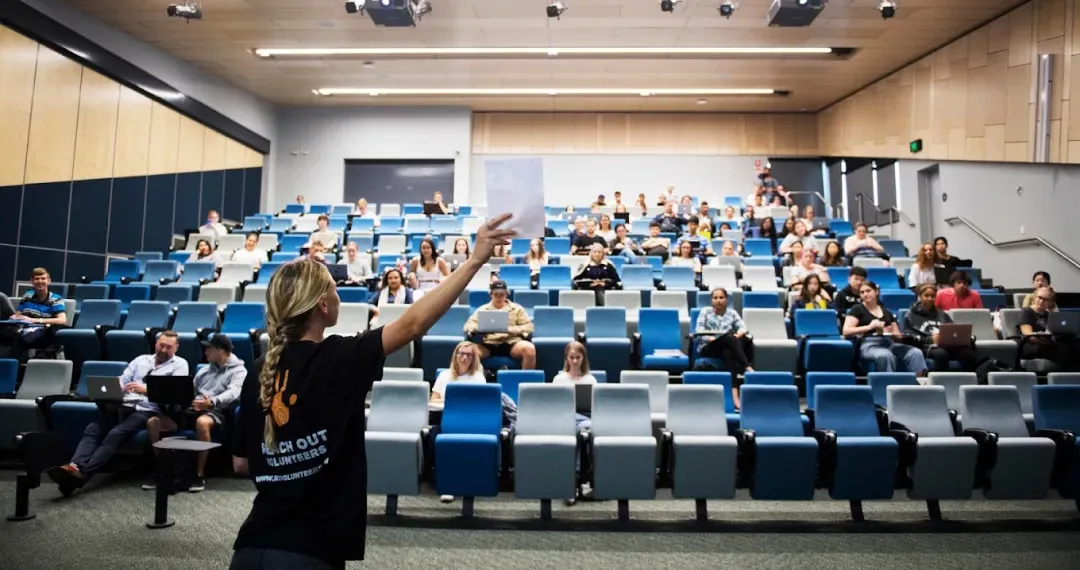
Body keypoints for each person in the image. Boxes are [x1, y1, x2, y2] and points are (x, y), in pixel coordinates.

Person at [229, 214, 517, 569]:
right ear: (322, 305)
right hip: (311, 552)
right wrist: (475, 260)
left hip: (250, 547)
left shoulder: (259, 368)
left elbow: (241, 462)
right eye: (334, 289)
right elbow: (413, 323)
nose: (338, 295)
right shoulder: (341, 356)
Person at [47, 331, 189, 495]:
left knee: (115, 433)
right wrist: (114, 389)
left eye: (168, 347)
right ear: (156, 343)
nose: (163, 350)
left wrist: (146, 390)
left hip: (148, 409)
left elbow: (175, 392)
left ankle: (82, 474)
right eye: (161, 345)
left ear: (176, 348)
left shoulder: (179, 364)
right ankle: (75, 466)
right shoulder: (141, 360)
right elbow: (122, 380)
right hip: (123, 405)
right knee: (93, 429)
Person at [144, 334, 245, 492]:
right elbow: (190, 390)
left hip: (217, 411)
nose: (205, 353)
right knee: (153, 423)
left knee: (202, 423)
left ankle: (199, 474)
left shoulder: (238, 370)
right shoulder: (204, 370)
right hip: (192, 409)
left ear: (219, 351)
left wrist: (211, 402)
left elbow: (234, 393)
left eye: (209, 349)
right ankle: (163, 470)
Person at [843, 282, 927, 375]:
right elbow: (846, 331)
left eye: (868, 291)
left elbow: (897, 336)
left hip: (889, 343)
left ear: (876, 292)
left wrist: (891, 332)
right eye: (862, 292)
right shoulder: (857, 309)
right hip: (869, 344)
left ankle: (918, 384)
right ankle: (889, 386)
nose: (865, 294)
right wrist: (870, 327)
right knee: (886, 355)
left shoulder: (886, 311)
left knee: (915, 353)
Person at [694, 288, 753, 407]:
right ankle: (747, 366)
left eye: (721, 298)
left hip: (726, 347)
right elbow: (699, 331)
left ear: (726, 299)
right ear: (711, 300)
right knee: (729, 338)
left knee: (728, 351)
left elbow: (743, 328)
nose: (718, 301)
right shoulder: (705, 312)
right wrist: (710, 338)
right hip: (709, 346)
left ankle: (734, 395)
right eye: (715, 298)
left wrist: (739, 334)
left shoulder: (732, 313)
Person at [903, 283, 979, 372]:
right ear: (919, 296)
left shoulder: (942, 313)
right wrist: (930, 339)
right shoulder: (910, 315)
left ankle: (970, 380)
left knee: (967, 353)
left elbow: (952, 330)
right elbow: (908, 338)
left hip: (947, 344)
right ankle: (942, 382)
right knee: (942, 354)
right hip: (927, 346)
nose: (930, 299)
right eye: (926, 296)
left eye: (932, 296)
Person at [463, 280, 536, 370]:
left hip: (511, 342)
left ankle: (526, 380)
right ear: (491, 294)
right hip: (488, 343)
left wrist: (511, 329)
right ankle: (473, 379)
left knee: (529, 349)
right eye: (496, 294)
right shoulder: (482, 309)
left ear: (506, 294)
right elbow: (467, 326)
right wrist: (481, 328)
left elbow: (529, 327)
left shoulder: (517, 309)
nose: (499, 297)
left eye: (502, 294)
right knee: (469, 351)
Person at [2, 268, 67, 361]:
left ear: (49, 281)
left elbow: (62, 320)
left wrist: (34, 320)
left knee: (17, 339)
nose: (40, 281)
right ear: (31, 282)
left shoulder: (56, 299)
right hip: (23, 329)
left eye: (43, 278)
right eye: (37, 279)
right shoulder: (27, 295)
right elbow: (18, 315)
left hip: (42, 331)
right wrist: (15, 317)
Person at [1016, 286, 1080, 372]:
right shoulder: (1026, 312)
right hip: (1032, 346)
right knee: (1065, 351)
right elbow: (1029, 335)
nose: (1041, 301)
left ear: (1050, 302)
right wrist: (1051, 341)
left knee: (1075, 346)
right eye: (1040, 297)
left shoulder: (1050, 314)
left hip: (1050, 343)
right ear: (1035, 297)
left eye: (1046, 299)